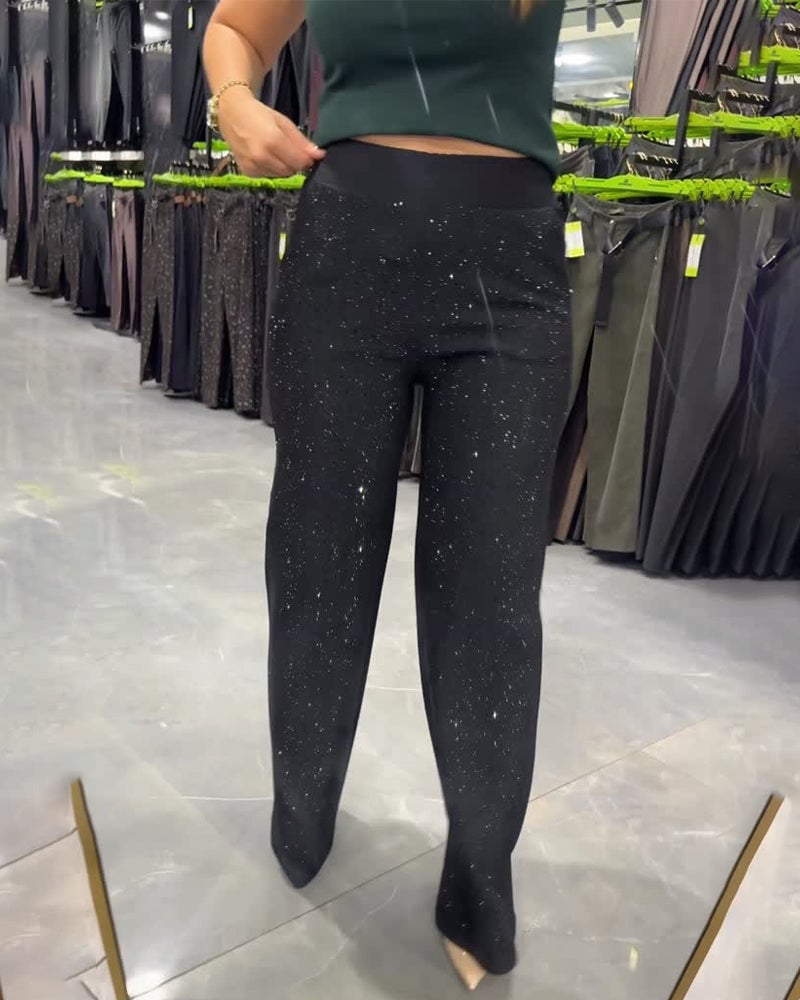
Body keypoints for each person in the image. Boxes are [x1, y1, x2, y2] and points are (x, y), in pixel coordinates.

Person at [203, 0, 569, 988]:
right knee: (316, 566)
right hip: (347, 249)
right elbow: (236, 28)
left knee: (491, 599)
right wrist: (234, 100)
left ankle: (479, 882)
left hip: (513, 260)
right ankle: (302, 813)